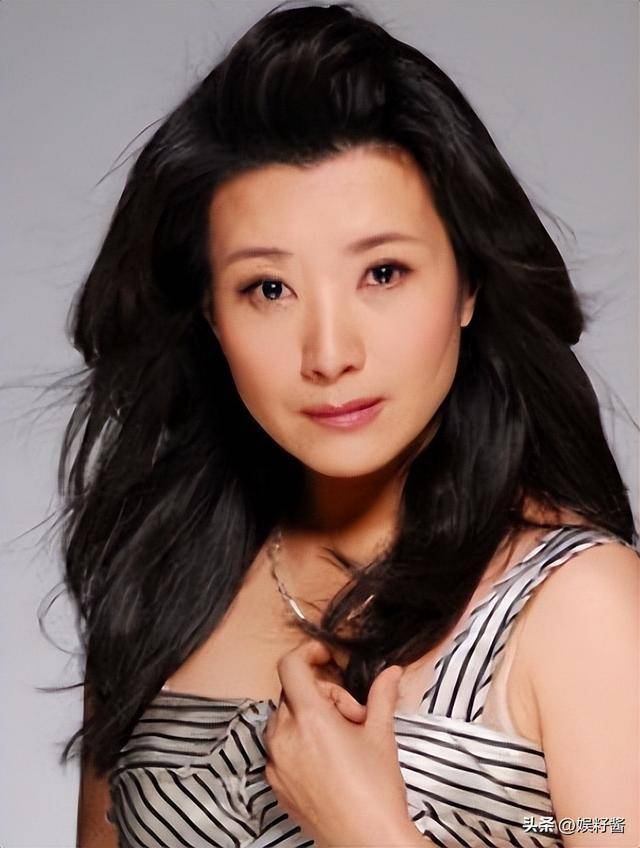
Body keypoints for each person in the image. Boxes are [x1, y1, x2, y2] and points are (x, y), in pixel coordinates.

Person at [62, 2, 639, 846]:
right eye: (269, 288)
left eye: (383, 272)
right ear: (212, 315)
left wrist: (367, 829)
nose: (329, 354)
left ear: (469, 283)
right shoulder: (156, 584)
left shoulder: (581, 606)